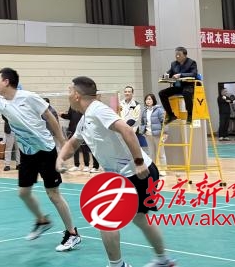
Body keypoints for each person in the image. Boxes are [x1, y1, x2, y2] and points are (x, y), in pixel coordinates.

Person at [0, 67, 81, 252]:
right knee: (23, 193)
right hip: (27, 152)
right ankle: (42, 221)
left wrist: (62, 143)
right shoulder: (0, 102)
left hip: (45, 150)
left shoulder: (28, 97)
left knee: (53, 194)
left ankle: (72, 233)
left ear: (6, 82)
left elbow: (49, 116)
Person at [57, 77, 176, 267]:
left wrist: (138, 162)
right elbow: (73, 143)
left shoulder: (98, 110)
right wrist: (60, 158)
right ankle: (163, 259)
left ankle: (119, 265)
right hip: (122, 175)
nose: (68, 95)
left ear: (77, 95)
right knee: (139, 218)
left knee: (106, 219)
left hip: (137, 172)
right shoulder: (85, 118)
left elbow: (127, 130)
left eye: (70, 91)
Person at [158, 47, 198, 125]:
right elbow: (169, 72)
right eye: (176, 55)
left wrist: (180, 75)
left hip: (188, 86)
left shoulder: (191, 62)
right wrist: (165, 75)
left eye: (179, 55)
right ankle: (171, 115)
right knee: (162, 93)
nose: (177, 56)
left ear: (185, 55)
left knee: (186, 92)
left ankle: (190, 115)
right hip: (178, 86)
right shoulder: (174, 64)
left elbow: (193, 74)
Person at [140, 93, 167, 176]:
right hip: (148, 135)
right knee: (152, 153)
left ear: (153, 100)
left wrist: (165, 133)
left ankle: (163, 170)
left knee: (161, 153)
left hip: (158, 134)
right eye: (146, 99)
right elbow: (142, 123)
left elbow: (164, 122)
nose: (148, 101)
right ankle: (154, 170)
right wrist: (143, 131)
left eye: (150, 99)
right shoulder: (144, 111)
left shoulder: (159, 110)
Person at [119, 86, 148, 154]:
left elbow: (134, 118)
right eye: (125, 92)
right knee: (123, 149)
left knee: (132, 149)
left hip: (131, 129)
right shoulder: (120, 103)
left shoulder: (136, 105)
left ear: (132, 93)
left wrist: (124, 127)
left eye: (129, 92)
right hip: (120, 129)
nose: (127, 93)